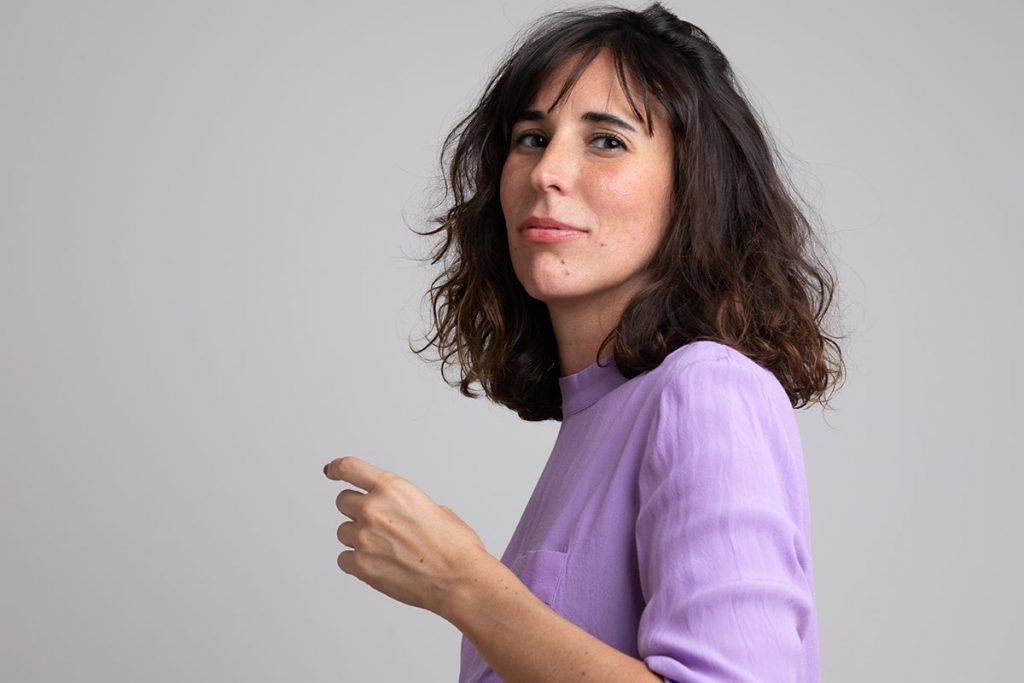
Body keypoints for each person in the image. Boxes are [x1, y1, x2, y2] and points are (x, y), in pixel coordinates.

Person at [325, 3, 845, 682]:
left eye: (606, 140)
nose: (547, 171)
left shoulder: (706, 389)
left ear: (694, 186)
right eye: (531, 138)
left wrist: (464, 585)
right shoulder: (597, 416)